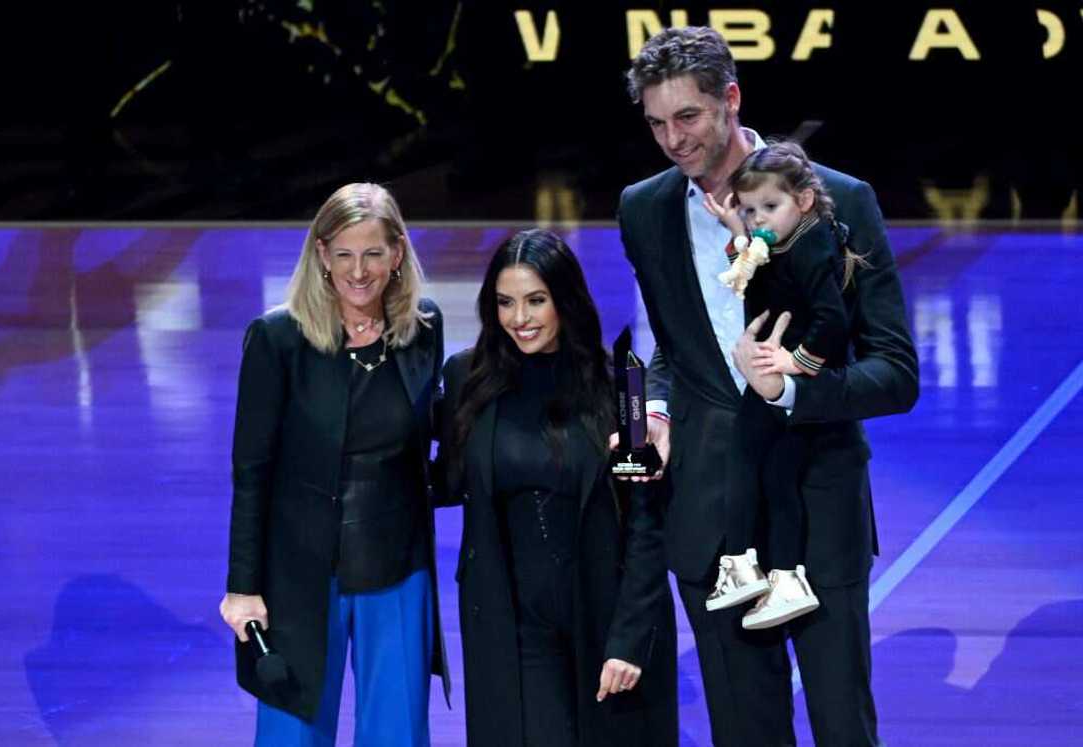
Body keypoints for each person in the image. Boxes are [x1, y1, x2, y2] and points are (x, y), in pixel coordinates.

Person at [619, 26, 919, 746]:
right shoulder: (643, 207)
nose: (673, 140)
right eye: (657, 123)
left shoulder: (840, 200)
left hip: (816, 509)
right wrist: (653, 412)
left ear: (732, 98)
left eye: (687, 117)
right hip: (710, 523)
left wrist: (791, 391)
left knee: (842, 727)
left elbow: (895, 371)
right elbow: (669, 345)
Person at [219, 182, 448, 746]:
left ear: (397, 253)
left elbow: (430, 442)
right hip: (301, 573)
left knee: (397, 733)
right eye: (343, 254)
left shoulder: (422, 328)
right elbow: (251, 473)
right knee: (291, 735)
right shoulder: (278, 339)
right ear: (321, 255)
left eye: (373, 253)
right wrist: (242, 587)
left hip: (397, 566)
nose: (359, 271)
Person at [433, 229, 677, 747]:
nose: (519, 318)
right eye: (505, 302)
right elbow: (445, 480)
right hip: (512, 620)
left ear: (564, 299)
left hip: (603, 615)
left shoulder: (619, 388)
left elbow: (646, 525)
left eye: (535, 300)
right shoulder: (467, 380)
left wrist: (631, 638)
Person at [701, 141, 868, 631]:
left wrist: (793, 363)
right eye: (750, 210)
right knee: (773, 477)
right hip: (780, 384)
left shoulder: (813, 247)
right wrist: (737, 232)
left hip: (784, 384)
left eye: (769, 208)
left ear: (805, 200)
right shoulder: (792, 239)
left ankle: (742, 563)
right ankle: (780, 576)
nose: (759, 221)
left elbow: (832, 322)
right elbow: (761, 266)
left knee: (745, 464)